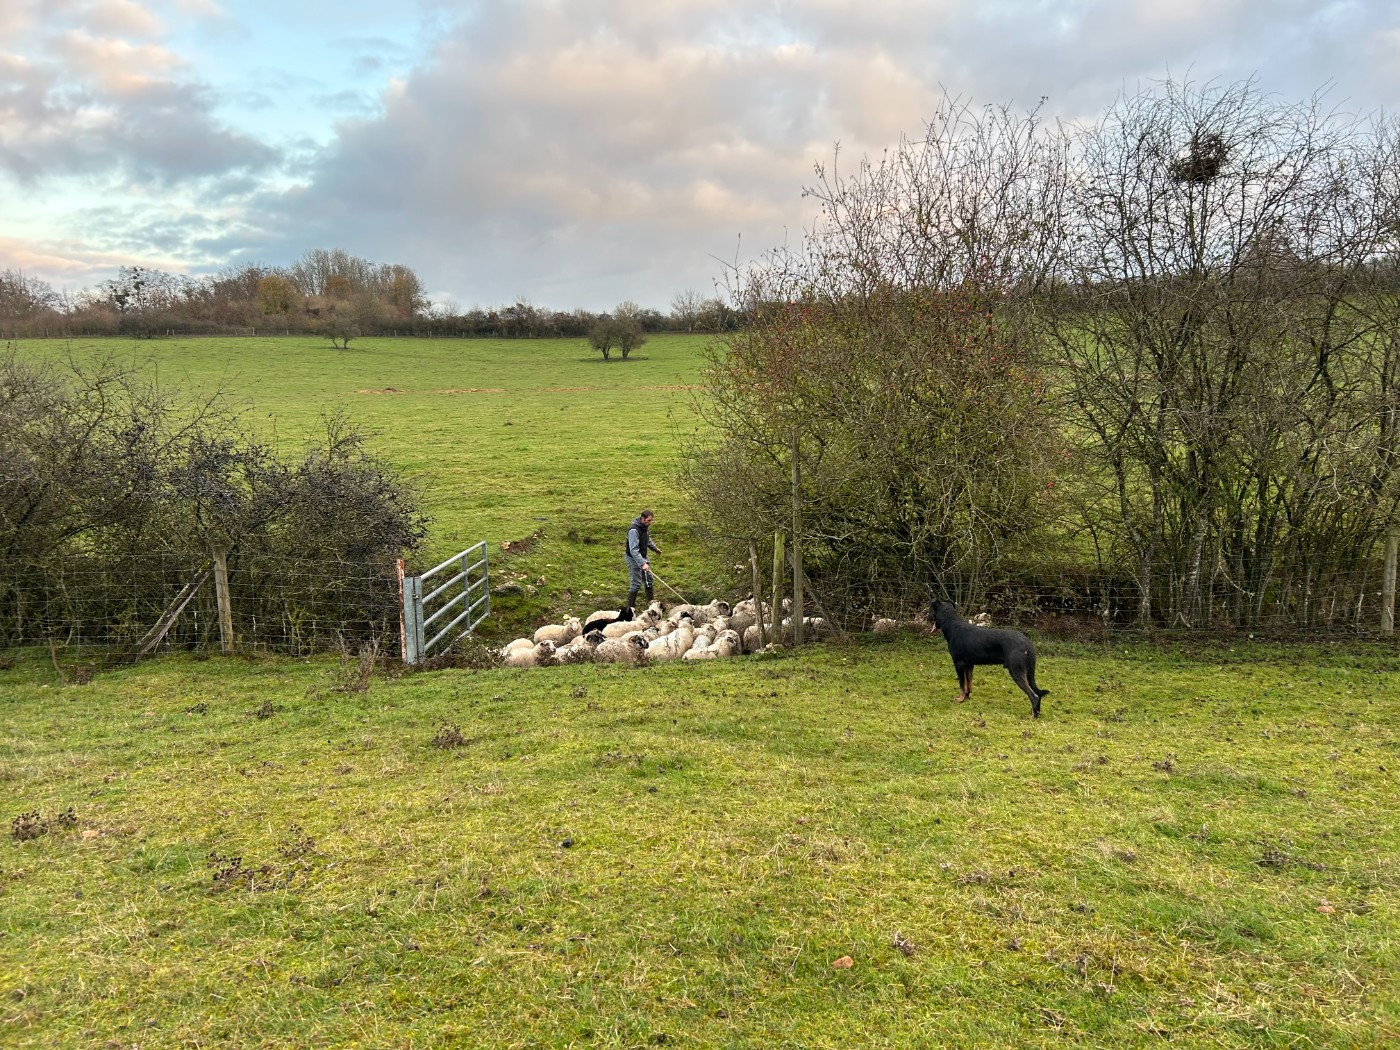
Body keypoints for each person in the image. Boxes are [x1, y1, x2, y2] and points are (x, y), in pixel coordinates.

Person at [624, 509, 662, 611]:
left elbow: (647, 540)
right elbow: (633, 550)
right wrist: (642, 563)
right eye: (648, 520)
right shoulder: (633, 530)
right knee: (636, 583)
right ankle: (630, 610)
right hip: (633, 558)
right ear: (642, 519)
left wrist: (655, 549)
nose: (650, 523)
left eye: (651, 520)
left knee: (649, 580)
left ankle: (651, 606)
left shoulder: (645, 527)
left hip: (643, 556)